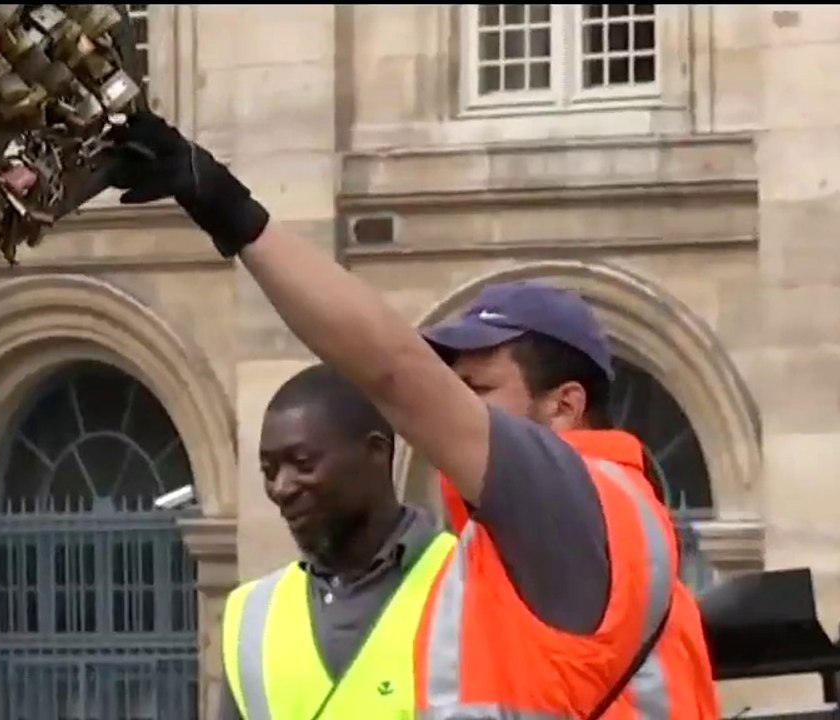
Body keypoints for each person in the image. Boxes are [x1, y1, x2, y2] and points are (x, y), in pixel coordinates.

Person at [106, 112, 720, 719]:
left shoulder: (576, 504)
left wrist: (232, 213)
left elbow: (393, 369)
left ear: (565, 405)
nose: (448, 411)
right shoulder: (568, 530)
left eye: (476, 388)